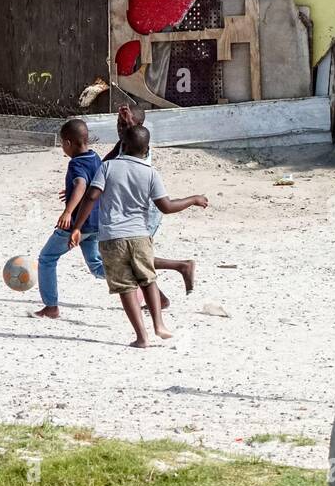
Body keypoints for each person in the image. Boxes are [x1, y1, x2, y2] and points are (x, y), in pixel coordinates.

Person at [69, 125, 208, 348]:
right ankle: (159, 325)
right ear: (147, 149)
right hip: (141, 236)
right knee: (148, 279)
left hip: (112, 238)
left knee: (125, 287)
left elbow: (91, 197)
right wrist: (193, 199)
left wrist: (77, 227)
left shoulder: (107, 167)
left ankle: (142, 337)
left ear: (122, 146)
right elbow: (166, 206)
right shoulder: (151, 173)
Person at [103, 105, 197, 303]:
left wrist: (129, 123)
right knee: (134, 256)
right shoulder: (121, 147)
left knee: (133, 256)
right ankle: (165, 291)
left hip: (146, 213)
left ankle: (181, 268)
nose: (121, 128)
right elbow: (102, 168)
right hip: (130, 213)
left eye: (125, 124)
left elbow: (166, 205)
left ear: (139, 128)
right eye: (118, 124)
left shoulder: (142, 149)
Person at [32, 119, 105, 319]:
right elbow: (91, 183)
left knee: (47, 258)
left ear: (68, 143)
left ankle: (51, 307)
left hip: (77, 224)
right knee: (97, 266)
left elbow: (81, 184)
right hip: (95, 222)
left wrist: (67, 212)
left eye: (63, 143)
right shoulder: (95, 157)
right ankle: (135, 278)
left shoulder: (76, 163)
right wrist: (72, 191)